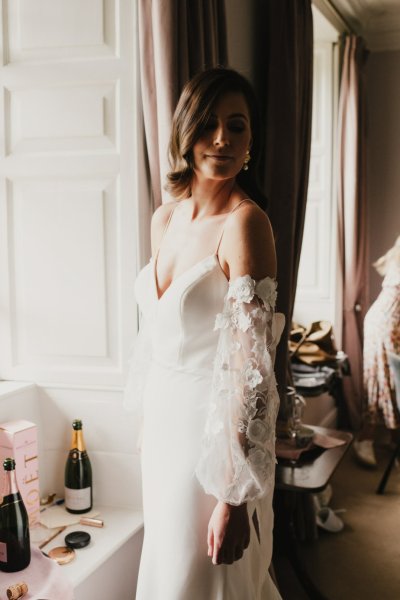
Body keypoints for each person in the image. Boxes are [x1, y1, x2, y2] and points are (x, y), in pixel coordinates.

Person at [125, 67, 284, 599]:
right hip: (163, 437)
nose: (221, 138)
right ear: (185, 131)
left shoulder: (246, 224)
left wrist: (233, 495)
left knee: (201, 584)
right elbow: (155, 336)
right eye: (208, 124)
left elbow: (252, 369)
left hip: (211, 441)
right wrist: (147, 422)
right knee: (164, 575)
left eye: (236, 126)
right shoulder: (163, 220)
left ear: (250, 140)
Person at [354, 236, 400, 467]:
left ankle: (392, 440)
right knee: (382, 380)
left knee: (388, 380)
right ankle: (367, 436)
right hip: (385, 324)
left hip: (387, 323)